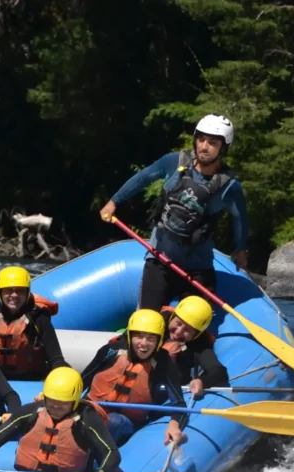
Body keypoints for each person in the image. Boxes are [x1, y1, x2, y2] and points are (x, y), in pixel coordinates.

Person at [99, 114, 249, 311]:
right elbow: (143, 178)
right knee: (148, 321)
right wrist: (114, 201)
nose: (204, 147)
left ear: (223, 147)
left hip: (199, 267)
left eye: (212, 143)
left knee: (191, 329)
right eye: (201, 139)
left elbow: (240, 218)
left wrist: (241, 249)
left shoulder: (230, 186)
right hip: (160, 259)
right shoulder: (173, 162)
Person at [82, 309, 187, 447]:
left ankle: (96, 462)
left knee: (114, 421)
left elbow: (179, 404)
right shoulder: (111, 350)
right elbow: (81, 382)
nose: (143, 343)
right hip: (93, 410)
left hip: (126, 422)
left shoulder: (164, 362)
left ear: (159, 340)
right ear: (130, 336)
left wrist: (174, 424)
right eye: (138, 336)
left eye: (151, 338)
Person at [0, 265, 67, 380]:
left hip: (32, 380)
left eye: (20, 291)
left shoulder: (39, 318)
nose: (14, 295)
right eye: (8, 290)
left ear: (27, 293)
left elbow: (56, 358)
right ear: (0, 293)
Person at [161, 296, 228, 399]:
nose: (178, 332)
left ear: (196, 334)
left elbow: (219, 372)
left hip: (171, 384)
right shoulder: (159, 319)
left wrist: (201, 381)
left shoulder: (200, 344)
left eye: (187, 330)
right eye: (178, 323)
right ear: (173, 316)